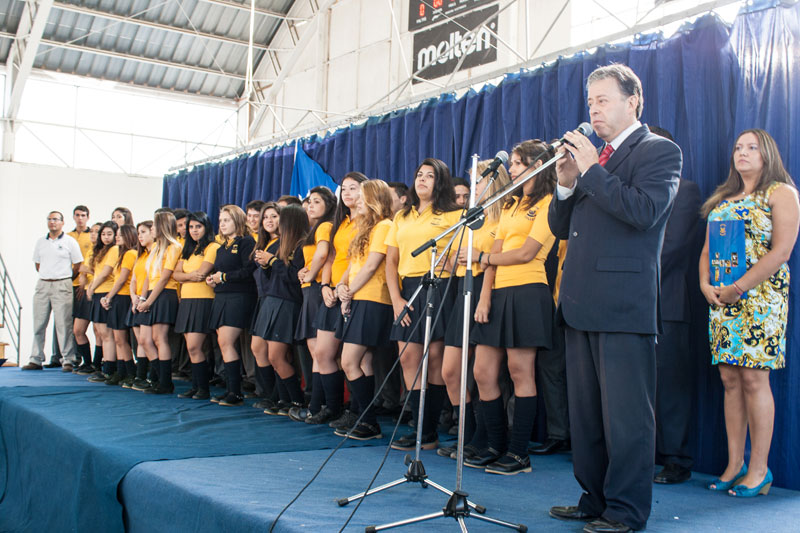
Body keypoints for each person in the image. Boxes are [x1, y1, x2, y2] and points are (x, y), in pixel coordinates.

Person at [547, 64, 681, 533]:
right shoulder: (592, 161)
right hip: (581, 301)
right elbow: (562, 229)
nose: (594, 109)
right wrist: (565, 183)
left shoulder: (660, 151)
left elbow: (643, 211)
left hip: (625, 305)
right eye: (590, 102)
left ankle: (625, 510)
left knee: (626, 420)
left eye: (603, 100)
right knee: (587, 418)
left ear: (633, 102)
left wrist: (588, 170)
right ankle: (595, 497)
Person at [700, 129, 799, 497]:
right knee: (729, 379)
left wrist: (740, 286)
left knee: (755, 379)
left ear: (767, 153)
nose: (742, 153)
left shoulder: (781, 193)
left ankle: (760, 470)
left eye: (752, 147)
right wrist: (704, 284)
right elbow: (707, 250)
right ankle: (734, 464)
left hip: (760, 299)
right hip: (722, 301)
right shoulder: (723, 199)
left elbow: (782, 251)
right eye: (738, 147)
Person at [465, 141, 557, 475]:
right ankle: (493, 443)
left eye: (519, 163)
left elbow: (526, 253)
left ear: (538, 166)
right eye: (513, 163)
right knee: (483, 372)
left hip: (528, 290)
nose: (513, 169)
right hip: (499, 293)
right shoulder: (510, 205)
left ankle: (518, 453)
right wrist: (484, 297)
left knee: (521, 372)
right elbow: (495, 253)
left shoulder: (549, 203)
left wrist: (483, 258)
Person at [385, 158, 461, 450]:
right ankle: (420, 428)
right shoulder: (401, 217)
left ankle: (429, 432)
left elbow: (458, 259)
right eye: (419, 174)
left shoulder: (454, 215)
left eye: (430, 176)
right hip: (407, 289)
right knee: (408, 358)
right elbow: (391, 261)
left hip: (439, 287)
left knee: (436, 362)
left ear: (439, 182)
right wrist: (396, 299)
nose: (423, 180)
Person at [438, 160, 510, 460]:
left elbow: (493, 259)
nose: (472, 187)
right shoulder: (470, 216)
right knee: (450, 370)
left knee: (483, 373)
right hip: (460, 289)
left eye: (477, 181)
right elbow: (452, 258)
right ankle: (468, 434)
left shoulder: (503, 215)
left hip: (484, 289)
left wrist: (484, 294)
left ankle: (490, 439)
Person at [644, 126, 703, 484]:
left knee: (670, 387)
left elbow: (674, 246)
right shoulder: (632, 191)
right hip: (629, 305)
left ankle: (676, 459)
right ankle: (641, 455)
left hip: (668, 303)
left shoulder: (686, 190)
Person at [334, 180, 395, 440]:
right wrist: (341, 286)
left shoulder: (384, 226)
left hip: (372, 298)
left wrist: (350, 291)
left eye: (361, 195)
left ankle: (369, 421)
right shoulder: (364, 227)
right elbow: (354, 264)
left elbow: (372, 266)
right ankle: (363, 417)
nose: (355, 199)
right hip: (358, 296)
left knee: (348, 361)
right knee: (362, 360)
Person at [307, 173, 367, 424]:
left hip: (355, 290)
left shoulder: (368, 222)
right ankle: (333, 407)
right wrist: (323, 285)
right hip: (331, 289)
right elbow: (330, 258)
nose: (348, 193)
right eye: (344, 189)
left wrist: (344, 287)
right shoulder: (339, 222)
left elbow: (359, 261)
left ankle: (357, 411)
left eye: (354, 188)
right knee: (322, 353)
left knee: (359, 360)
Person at [256, 205, 310, 414]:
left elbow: (293, 278)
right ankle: (284, 398)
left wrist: (273, 262)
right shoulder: (281, 245)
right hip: (273, 300)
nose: (276, 224)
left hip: (287, 303)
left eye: (280, 219)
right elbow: (274, 278)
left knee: (276, 356)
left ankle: (296, 400)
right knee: (274, 356)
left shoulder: (301, 245)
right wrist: (266, 265)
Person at [290, 186, 336, 421]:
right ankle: (317, 406)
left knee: (321, 352)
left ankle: (323, 406)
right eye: (309, 202)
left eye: (317, 202)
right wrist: (304, 271)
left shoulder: (326, 226)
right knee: (316, 352)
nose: (310, 205)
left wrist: (310, 274)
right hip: (310, 290)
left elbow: (322, 255)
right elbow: (312, 258)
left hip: (318, 290)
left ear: (329, 205)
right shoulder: (313, 229)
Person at [207, 205, 257, 406]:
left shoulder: (246, 242)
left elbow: (248, 271)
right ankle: (231, 390)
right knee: (223, 343)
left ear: (237, 220)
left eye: (226, 220)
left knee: (227, 342)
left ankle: (235, 392)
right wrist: (214, 279)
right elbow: (221, 272)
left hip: (239, 297)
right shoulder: (221, 247)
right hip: (222, 297)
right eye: (220, 221)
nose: (222, 224)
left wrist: (224, 277)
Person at [24, 211, 83, 371]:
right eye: (49, 219)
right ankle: (35, 359)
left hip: (62, 284)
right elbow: (37, 264)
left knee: (64, 324)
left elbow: (77, 264)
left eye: (55, 219)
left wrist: (65, 277)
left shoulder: (70, 242)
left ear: (62, 222)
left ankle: (68, 360)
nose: (52, 222)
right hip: (43, 284)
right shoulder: (40, 242)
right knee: (39, 323)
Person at [172, 211, 220, 400]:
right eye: (191, 227)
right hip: (187, 300)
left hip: (203, 300)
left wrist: (187, 277)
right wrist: (189, 277)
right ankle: (197, 386)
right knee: (191, 347)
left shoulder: (212, 246)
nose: (193, 231)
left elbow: (202, 273)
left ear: (206, 227)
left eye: (197, 227)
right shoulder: (188, 249)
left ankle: (203, 388)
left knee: (195, 346)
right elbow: (175, 275)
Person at [135, 211, 182, 394]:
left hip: (165, 294)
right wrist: (143, 298)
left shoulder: (173, 247)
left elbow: (164, 278)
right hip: (151, 295)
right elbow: (148, 276)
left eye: (153, 226)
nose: (152, 229)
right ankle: (158, 376)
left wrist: (149, 301)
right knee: (145, 340)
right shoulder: (155, 248)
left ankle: (165, 382)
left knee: (159, 338)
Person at [250, 202, 282, 409]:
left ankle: (280, 396)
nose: (269, 221)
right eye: (266, 217)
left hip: (277, 298)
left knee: (275, 352)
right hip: (262, 298)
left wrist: (270, 262)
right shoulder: (264, 243)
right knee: (257, 347)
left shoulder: (283, 242)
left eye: (274, 217)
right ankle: (269, 393)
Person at [98, 224, 139, 386]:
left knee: (121, 338)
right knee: (118, 339)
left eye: (120, 235)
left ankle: (130, 372)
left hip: (123, 298)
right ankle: (122, 372)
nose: (117, 237)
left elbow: (122, 279)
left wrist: (108, 296)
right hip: (119, 298)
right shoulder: (122, 254)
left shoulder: (130, 253)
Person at [85, 221, 121, 382]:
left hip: (105, 291)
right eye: (103, 234)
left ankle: (109, 368)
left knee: (107, 335)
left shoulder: (114, 249)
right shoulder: (101, 249)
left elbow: (106, 272)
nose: (106, 237)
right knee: (100, 333)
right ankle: (105, 366)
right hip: (98, 291)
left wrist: (91, 287)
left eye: (109, 234)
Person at [128, 221, 155, 389]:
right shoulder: (141, 255)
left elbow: (150, 279)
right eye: (139, 233)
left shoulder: (155, 254)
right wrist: (134, 298)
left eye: (144, 232)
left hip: (148, 298)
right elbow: (133, 280)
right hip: (137, 299)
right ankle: (140, 376)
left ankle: (153, 376)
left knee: (147, 340)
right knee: (140, 340)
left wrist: (142, 298)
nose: (140, 236)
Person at [74, 223, 102, 374]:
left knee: (99, 331)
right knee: (78, 330)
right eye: (91, 231)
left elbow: (105, 272)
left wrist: (87, 270)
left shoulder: (105, 251)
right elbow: (82, 271)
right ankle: (87, 361)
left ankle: (96, 364)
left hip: (97, 291)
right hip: (85, 291)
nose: (93, 234)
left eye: (97, 232)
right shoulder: (90, 249)